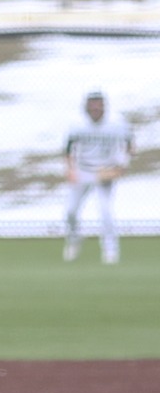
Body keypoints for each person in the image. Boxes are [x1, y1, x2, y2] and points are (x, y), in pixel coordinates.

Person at [62, 91, 134, 264]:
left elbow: (129, 145)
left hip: (105, 171)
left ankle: (111, 250)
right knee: (71, 211)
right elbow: (68, 149)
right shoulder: (77, 124)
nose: (95, 108)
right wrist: (70, 170)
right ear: (86, 106)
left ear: (104, 106)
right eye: (92, 104)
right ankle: (74, 239)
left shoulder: (116, 123)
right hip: (83, 170)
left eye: (98, 104)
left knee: (105, 211)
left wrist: (122, 165)